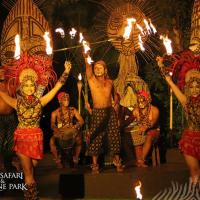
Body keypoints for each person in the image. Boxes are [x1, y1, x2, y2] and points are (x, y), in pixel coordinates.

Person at [0, 53, 71, 199]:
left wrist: (66, 72)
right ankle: (31, 195)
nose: (28, 87)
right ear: (21, 86)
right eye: (25, 85)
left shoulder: (41, 101)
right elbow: (1, 92)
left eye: (31, 84)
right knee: (29, 174)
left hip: (36, 139)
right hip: (22, 138)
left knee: (31, 169)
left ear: (35, 85)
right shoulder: (16, 102)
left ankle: (23, 179)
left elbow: (57, 87)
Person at [157, 52, 200, 184]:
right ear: (187, 87)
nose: (194, 90)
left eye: (197, 86)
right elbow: (170, 81)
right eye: (191, 87)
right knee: (194, 171)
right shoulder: (185, 101)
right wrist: (160, 65)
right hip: (190, 140)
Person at [84, 58, 124, 174]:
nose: (97, 69)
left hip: (110, 112)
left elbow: (115, 96)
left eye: (100, 67)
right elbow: (88, 69)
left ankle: (117, 161)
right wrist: (86, 57)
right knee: (96, 137)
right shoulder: (92, 80)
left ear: (105, 70)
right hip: (97, 112)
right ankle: (95, 165)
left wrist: (116, 102)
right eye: (95, 68)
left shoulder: (111, 82)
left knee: (114, 136)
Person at [123, 90, 159, 167]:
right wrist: (120, 125)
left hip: (153, 130)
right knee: (135, 135)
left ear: (147, 100)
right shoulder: (136, 110)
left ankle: (141, 160)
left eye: (142, 101)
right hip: (141, 131)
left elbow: (153, 122)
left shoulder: (154, 110)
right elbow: (129, 121)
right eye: (139, 101)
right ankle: (139, 161)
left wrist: (146, 127)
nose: (140, 103)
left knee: (149, 135)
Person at [50, 92, 84, 169]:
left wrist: (75, 126)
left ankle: (76, 157)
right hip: (60, 133)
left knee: (79, 140)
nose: (66, 100)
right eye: (64, 99)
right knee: (51, 141)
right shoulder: (55, 113)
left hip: (72, 132)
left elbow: (81, 121)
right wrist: (56, 130)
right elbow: (52, 124)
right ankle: (58, 160)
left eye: (67, 99)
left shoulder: (73, 110)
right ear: (59, 101)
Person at [0, 68, 19, 171]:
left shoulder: (11, 85)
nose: (2, 73)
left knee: (12, 143)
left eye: (4, 71)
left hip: (11, 117)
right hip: (0, 118)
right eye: (0, 71)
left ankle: (8, 163)